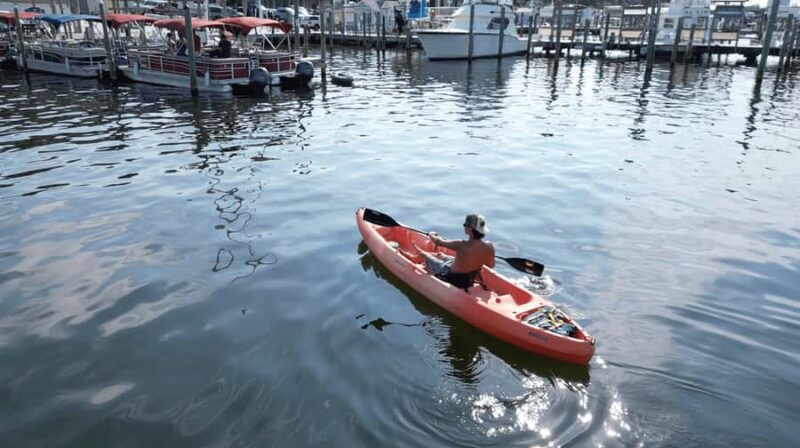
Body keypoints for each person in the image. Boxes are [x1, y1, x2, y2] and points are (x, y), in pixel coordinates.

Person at [415, 214, 495, 290]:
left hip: (450, 275)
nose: (464, 227)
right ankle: (439, 256)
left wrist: (432, 235)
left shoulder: (460, 244)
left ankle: (420, 253)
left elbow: (438, 242)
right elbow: (491, 265)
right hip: (469, 279)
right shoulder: (490, 247)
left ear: (469, 229)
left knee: (424, 255)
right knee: (441, 255)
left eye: (465, 225)